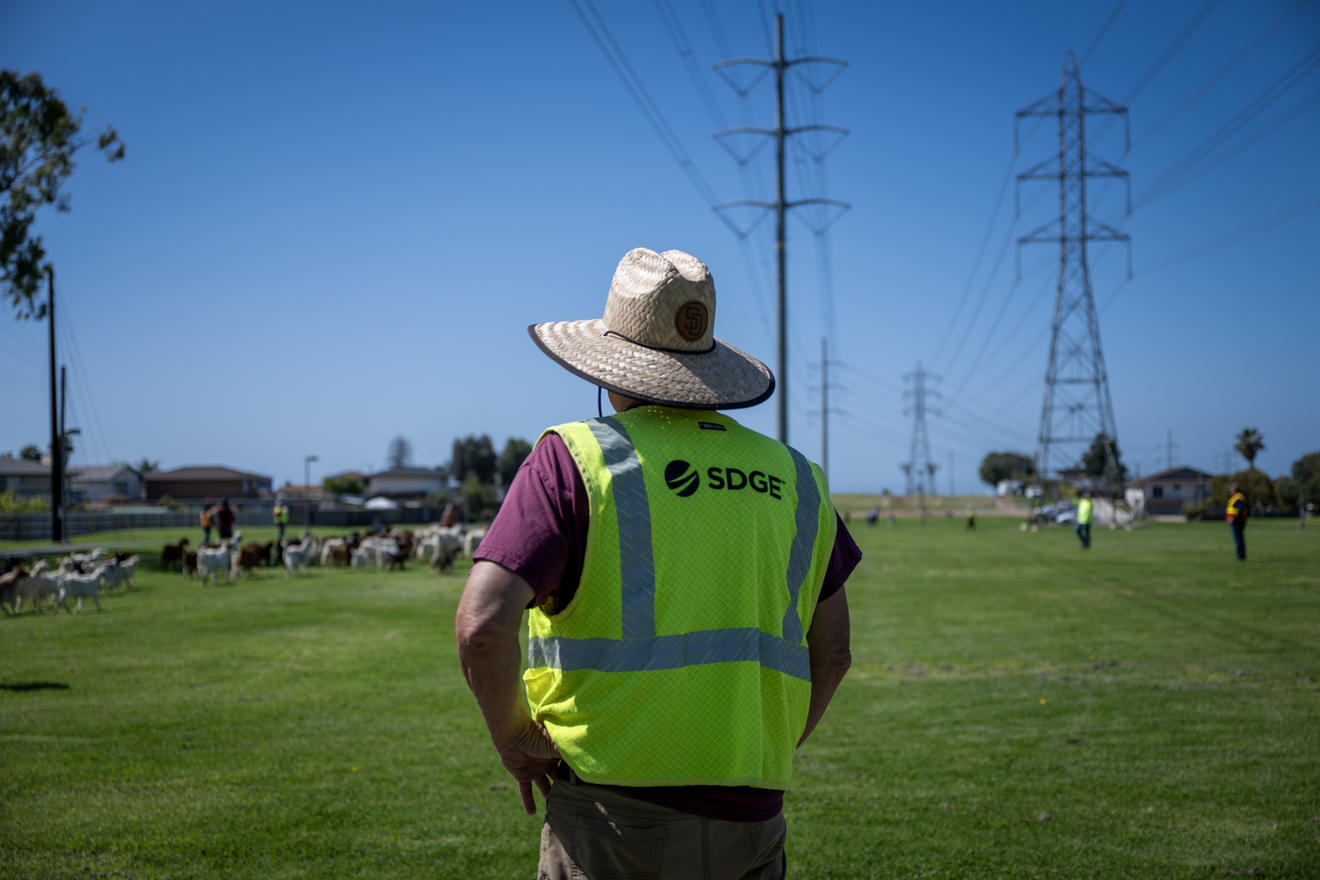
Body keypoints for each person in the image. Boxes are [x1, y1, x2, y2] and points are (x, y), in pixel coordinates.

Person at [455, 247, 860, 879]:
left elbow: (482, 625)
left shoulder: (576, 458)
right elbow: (833, 654)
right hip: (753, 822)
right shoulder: (799, 477)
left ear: (608, 370)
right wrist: (757, 759)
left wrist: (513, 739)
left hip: (610, 821)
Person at [1226, 484, 1248, 560]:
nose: (1230, 491)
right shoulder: (1236, 497)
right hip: (1237, 521)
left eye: (1231, 490)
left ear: (1234, 490)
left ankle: (1240, 556)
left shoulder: (1238, 498)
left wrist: (1234, 519)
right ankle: (1240, 555)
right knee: (1238, 538)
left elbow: (1240, 509)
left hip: (1238, 521)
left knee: (1238, 539)